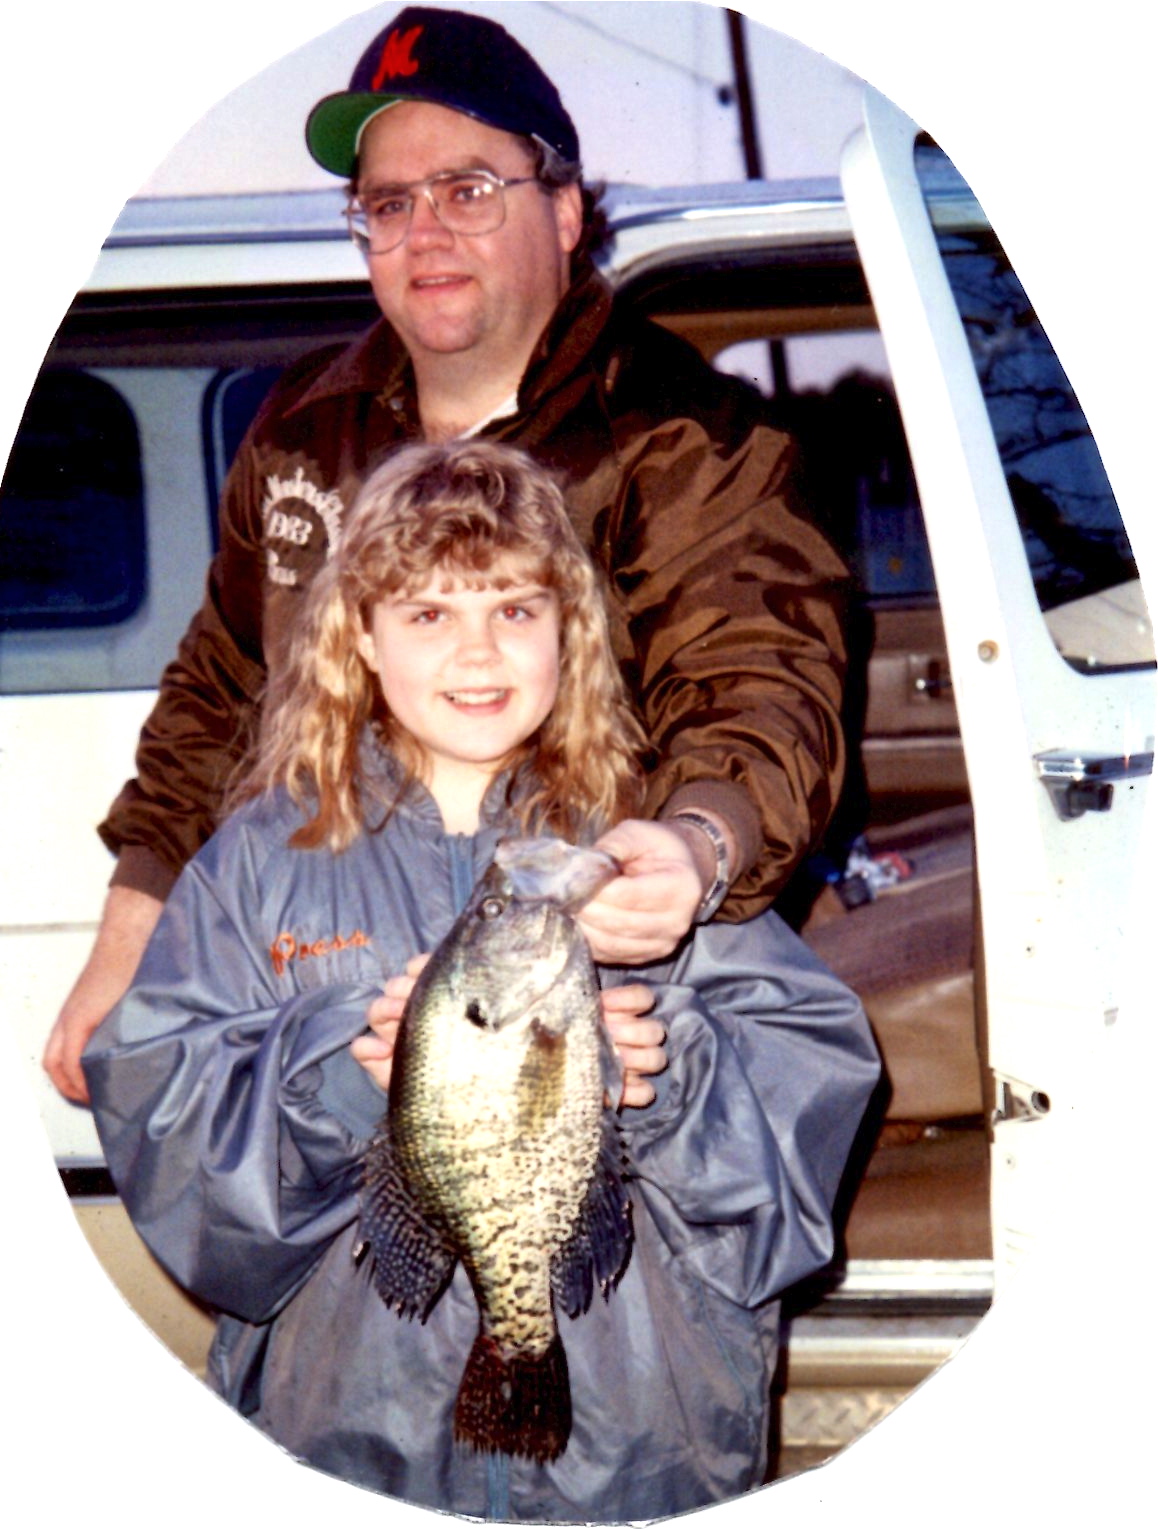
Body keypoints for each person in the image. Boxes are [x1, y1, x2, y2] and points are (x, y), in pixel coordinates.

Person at [46, 6, 850, 1102]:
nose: (424, 232)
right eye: (390, 203)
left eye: (467, 190)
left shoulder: (694, 439)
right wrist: (130, 933)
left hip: (580, 996)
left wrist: (697, 845)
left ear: (564, 210)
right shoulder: (303, 426)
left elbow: (758, 681)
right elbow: (222, 684)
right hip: (327, 989)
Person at [82, 440, 878, 1521]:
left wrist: (666, 1072)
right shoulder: (257, 864)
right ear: (360, 635)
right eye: (427, 613)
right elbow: (176, 1164)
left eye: (513, 608)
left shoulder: (643, 858)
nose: (478, 650)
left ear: (569, 628)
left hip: (635, 1450)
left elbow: (795, 1156)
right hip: (352, 1447)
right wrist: (343, 1076)